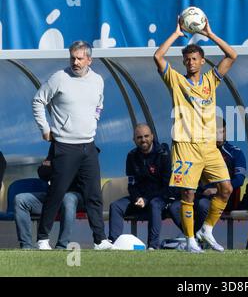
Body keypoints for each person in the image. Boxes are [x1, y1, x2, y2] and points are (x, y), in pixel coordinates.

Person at [154, 17, 238, 252]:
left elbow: (232, 56)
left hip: (209, 146)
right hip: (185, 145)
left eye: (194, 59)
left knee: (226, 189)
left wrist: (210, 35)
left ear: (202, 61)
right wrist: (175, 33)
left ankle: (207, 230)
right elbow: (158, 57)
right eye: (187, 59)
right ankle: (191, 240)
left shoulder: (211, 79)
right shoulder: (176, 80)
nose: (190, 62)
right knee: (188, 193)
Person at [32, 40, 112, 250]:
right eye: (72, 58)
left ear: (89, 59)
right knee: (56, 193)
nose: (75, 62)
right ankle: (42, 239)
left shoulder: (97, 80)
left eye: (79, 58)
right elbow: (38, 101)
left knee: (94, 195)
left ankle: (100, 240)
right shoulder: (59, 78)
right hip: (65, 146)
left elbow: (99, 105)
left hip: (88, 146)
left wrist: (94, 120)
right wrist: (45, 128)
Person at [171, 117, 247, 235]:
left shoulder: (235, 152)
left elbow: (239, 179)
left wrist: (216, 189)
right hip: (199, 195)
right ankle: (190, 235)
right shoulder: (196, 151)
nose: (219, 136)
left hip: (222, 197)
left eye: (222, 132)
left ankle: (195, 236)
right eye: (215, 132)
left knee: (202, 205)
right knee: (174, 207)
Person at [108, 124, 176, 250]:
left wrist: (146, 199)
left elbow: (167, 186)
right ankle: (113, 243)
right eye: (139, 137)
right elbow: (131, 184)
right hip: (139, 199)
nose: (143, 140)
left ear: (152, 136)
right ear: (134, 140)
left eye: (146, 136)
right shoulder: (131, 156)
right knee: (116, 206)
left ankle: (153, 246)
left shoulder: (164, 154)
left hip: (160, 198)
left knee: (155, 204)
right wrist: (137, 198)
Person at [14, 147, 84, 249]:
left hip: (74, 198)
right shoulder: (56, 148)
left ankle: (62, 246)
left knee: (67, 197)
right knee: (20, 199)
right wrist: (56, 165)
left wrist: (55, 165)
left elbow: (78, 175)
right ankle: (26, 246)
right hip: (52, 197)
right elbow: (42, 172)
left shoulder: (85, 149)